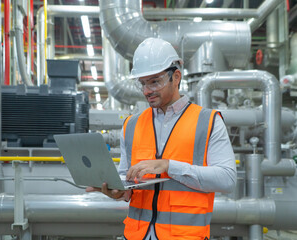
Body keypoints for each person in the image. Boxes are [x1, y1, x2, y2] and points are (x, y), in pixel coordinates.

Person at [86, 38, 236, 240]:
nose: (147, 91)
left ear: (176, 77)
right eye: (143, 83)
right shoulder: (131, 125)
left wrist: (169, 166)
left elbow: (227, 179)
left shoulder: (207, 121)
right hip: (137, 235)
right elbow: (126, 177)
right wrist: (119, 191)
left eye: (155, 81)